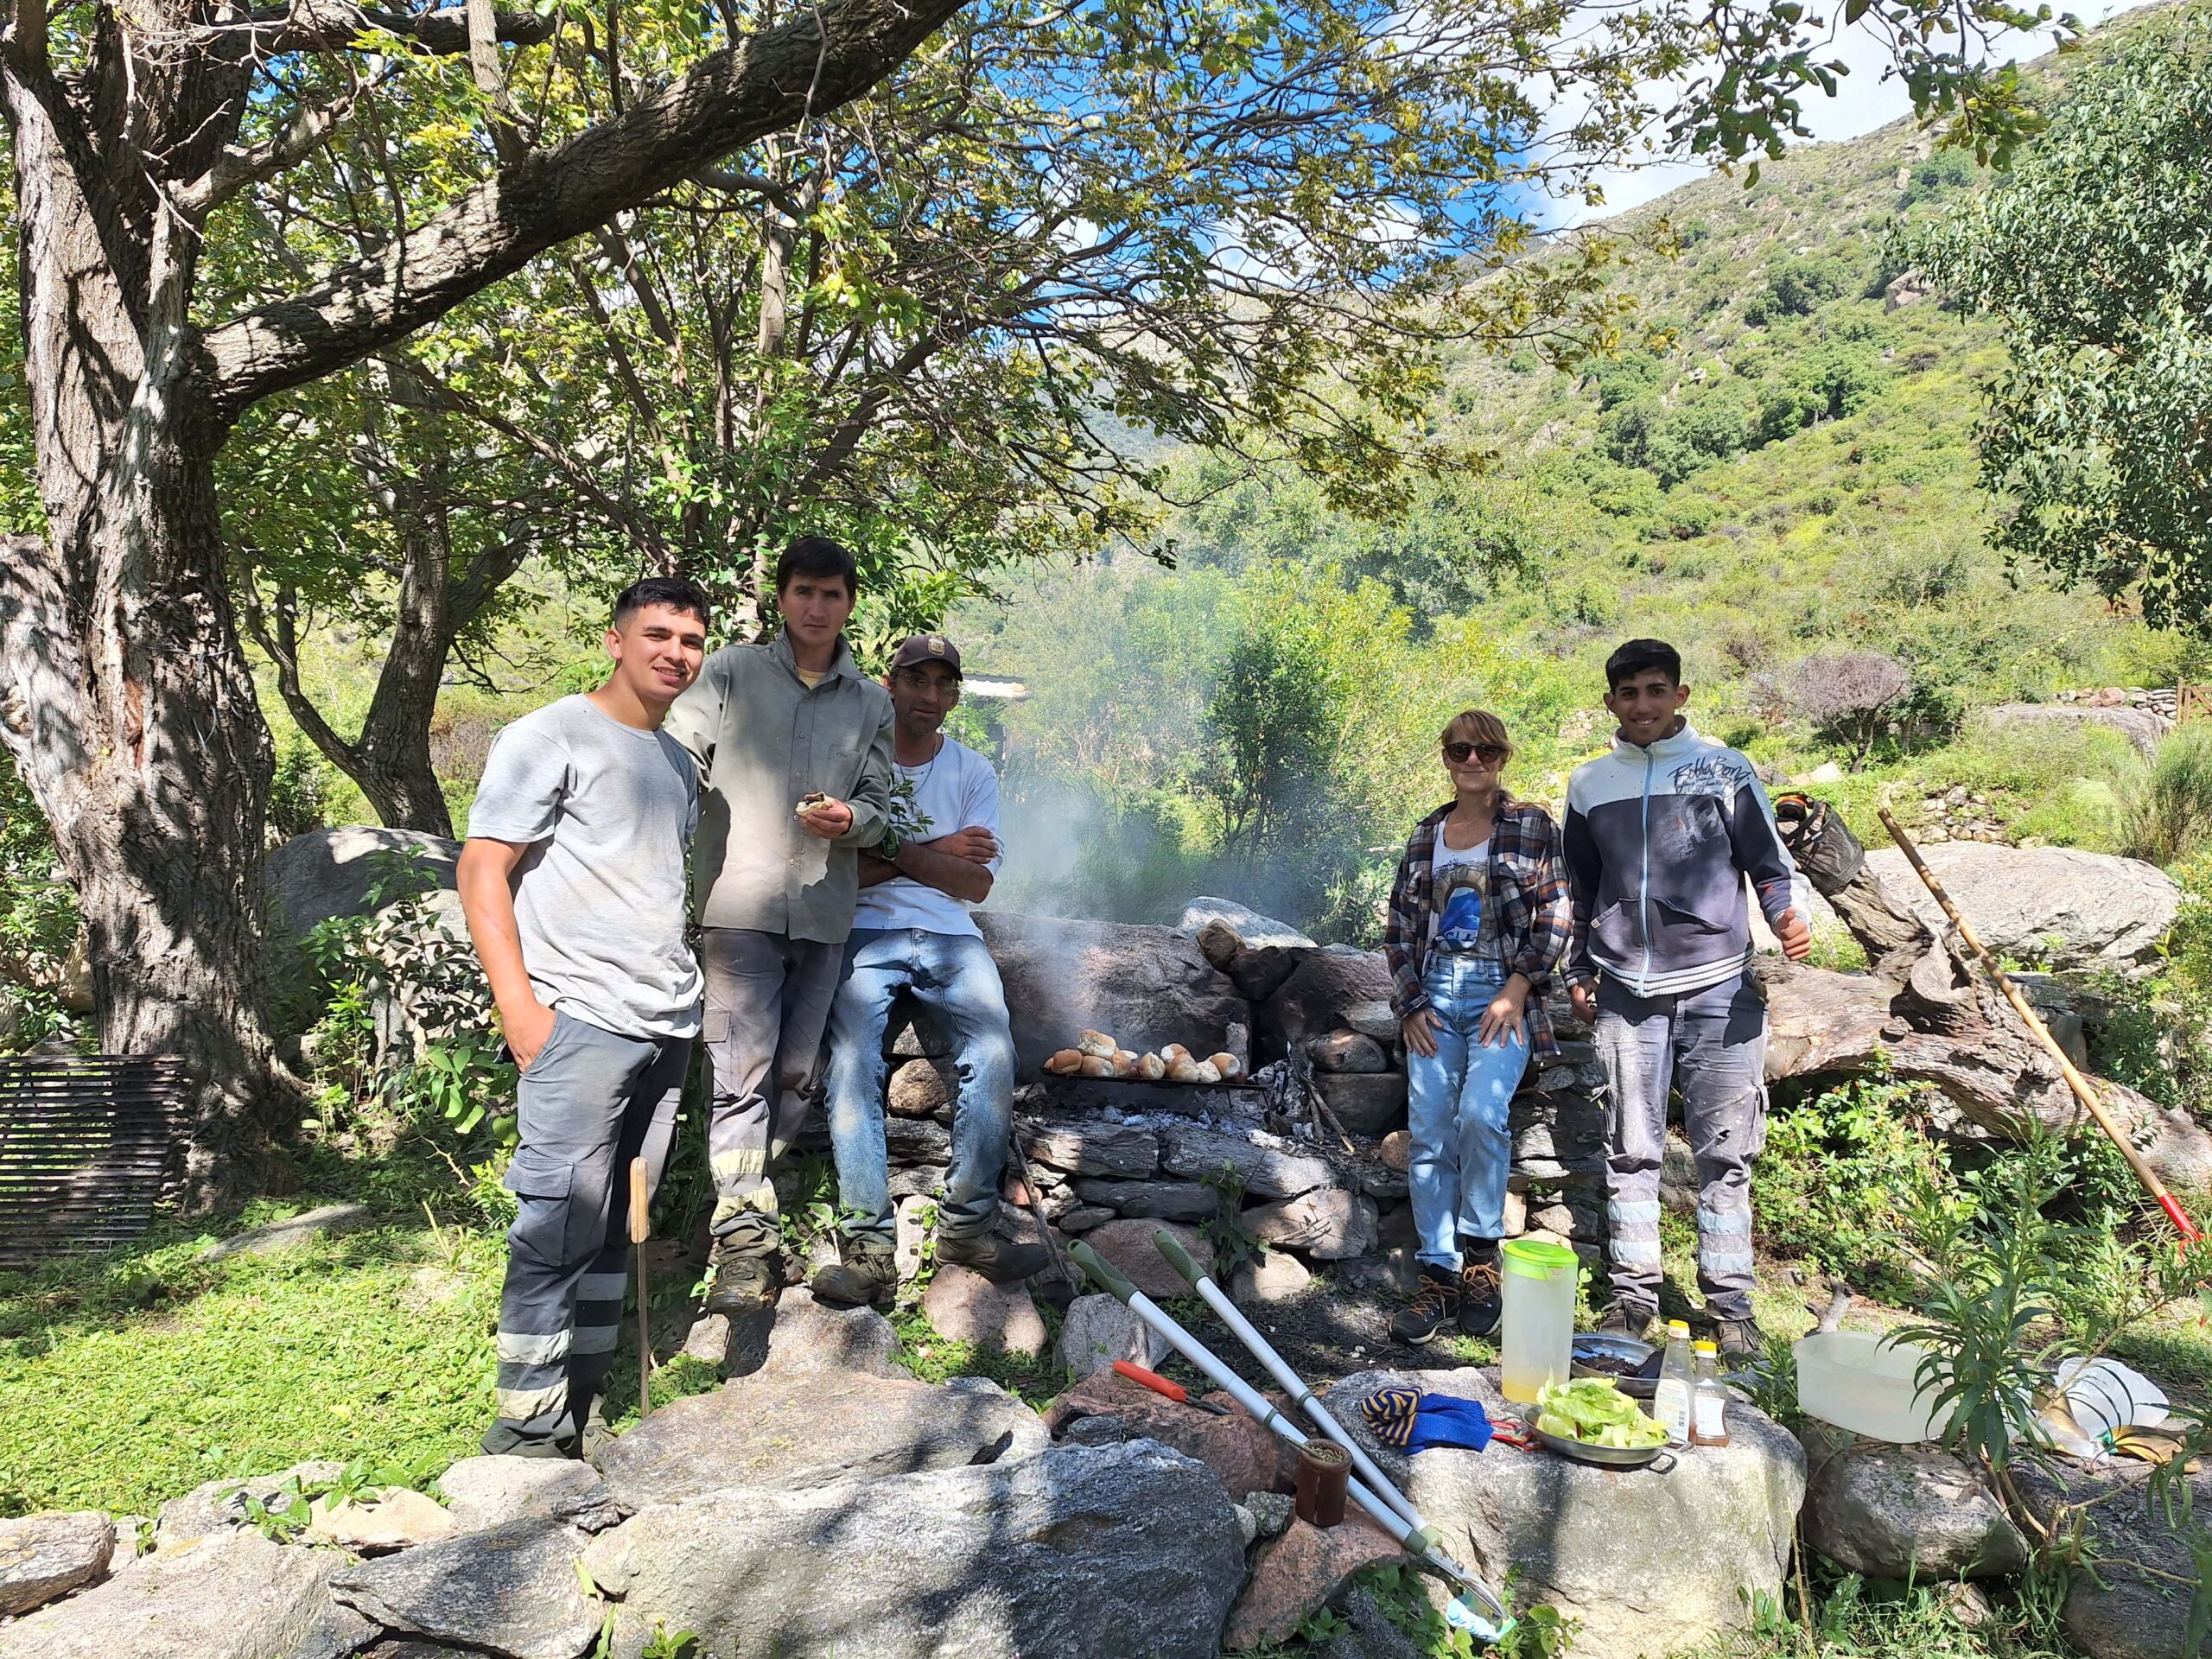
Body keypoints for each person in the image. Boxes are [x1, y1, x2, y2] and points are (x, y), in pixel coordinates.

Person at [458, 575, 710, 1457]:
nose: (675, 652)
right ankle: (524, 1436)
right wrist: (521, 1011)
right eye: (658, 634)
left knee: (615, 1227)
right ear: (615, 639)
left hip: (664, 1026)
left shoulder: (679, 763)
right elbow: (482, 868)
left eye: (690, 638)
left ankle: (582, 1411)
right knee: (555, 1224)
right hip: (578, 1021)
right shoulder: (552, 734)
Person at [665, 536, 895, 1317]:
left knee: (795, 1078)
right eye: (804, 592)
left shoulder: (870, 701)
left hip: (824, 912)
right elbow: (679, 748)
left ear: (849, 603)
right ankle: (744, 1244)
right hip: (738, 905)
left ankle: (742, 1211)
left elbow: (880, 806)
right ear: (783, 597)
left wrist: (852, 818)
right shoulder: (731, 671)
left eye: (832, 594)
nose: (817, 607)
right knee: (740, 1071)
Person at [1563, 638, 1812, 1357]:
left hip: (1720, 985)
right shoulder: (1590, 784)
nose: (1642, 705)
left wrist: (1787, 919)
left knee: (1725, 1152)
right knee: (1630, 1148)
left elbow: (1768, 864)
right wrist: (1579, 965)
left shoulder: (1724, 770)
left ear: (1681, 695)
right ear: (1610, 702)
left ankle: (1732, 1310)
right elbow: (1580, 886)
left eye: (1655, 690)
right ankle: (1632, 1299)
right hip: (1626, 991)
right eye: (1628, 693)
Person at [811, 634, 1052, 1306]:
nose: (930, 697)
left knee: (995, 1049)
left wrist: (895, 847)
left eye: (943, 685)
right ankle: (867, 1248)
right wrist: (935, 850)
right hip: (866, 928)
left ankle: (968, 1229)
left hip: (952, 933)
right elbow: (841, 873)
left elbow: (975, 886)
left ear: (953, 696)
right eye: (917, 681)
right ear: (889, 685)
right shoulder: (856, 766)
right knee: (853, 1057)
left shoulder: (973, 772)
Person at [1382, 709, 1572, 1346]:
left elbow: (1556, 915)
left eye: (1486, 750)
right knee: (1431, 1130)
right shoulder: (1425, 835)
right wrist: (1410, 1003)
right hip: (1436, 991)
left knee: (1481, 1116)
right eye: (1461, 749)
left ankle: (1483, 1261)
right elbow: (1400, 929)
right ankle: (1438, 1273)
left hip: (1502, 992)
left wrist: (1516, 990)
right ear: (1446, 756)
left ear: (1502, 757)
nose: (1473, 760)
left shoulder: (1532, 827)